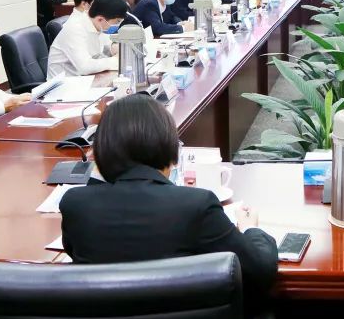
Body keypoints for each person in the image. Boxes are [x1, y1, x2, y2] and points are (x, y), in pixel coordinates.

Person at [59, 94, 278, 299]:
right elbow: (259, 271)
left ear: (101, 150)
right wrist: (251, 229)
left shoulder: (76, 205)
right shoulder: (196, 205)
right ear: (170, 148)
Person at [47, 0, 128, 78]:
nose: (117, 25)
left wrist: (114, 47)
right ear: (100, 19)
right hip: (64, 82)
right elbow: (85, 67)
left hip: (83, 79)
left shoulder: (96, 24)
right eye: (117, 21)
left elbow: (107, 43)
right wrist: (115, 60)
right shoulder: (75, 28)